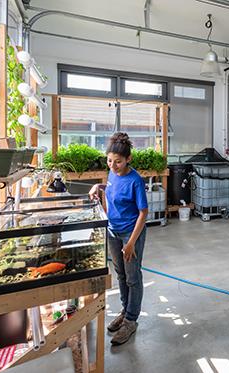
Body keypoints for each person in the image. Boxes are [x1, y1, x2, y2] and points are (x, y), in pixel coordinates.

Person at [89, 132, 148, 345]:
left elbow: (143, 212)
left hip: (130, 234)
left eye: (118, 162)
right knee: (121, 274)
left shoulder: (135, 181)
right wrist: (98, 186)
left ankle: (131, 320)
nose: (113, 165)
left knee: (133, 276)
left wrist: (131, 242)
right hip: (113, 231)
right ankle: (125, 311)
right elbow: (112, 188)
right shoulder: (112, 174)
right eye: (110, 161)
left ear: (128, 159)